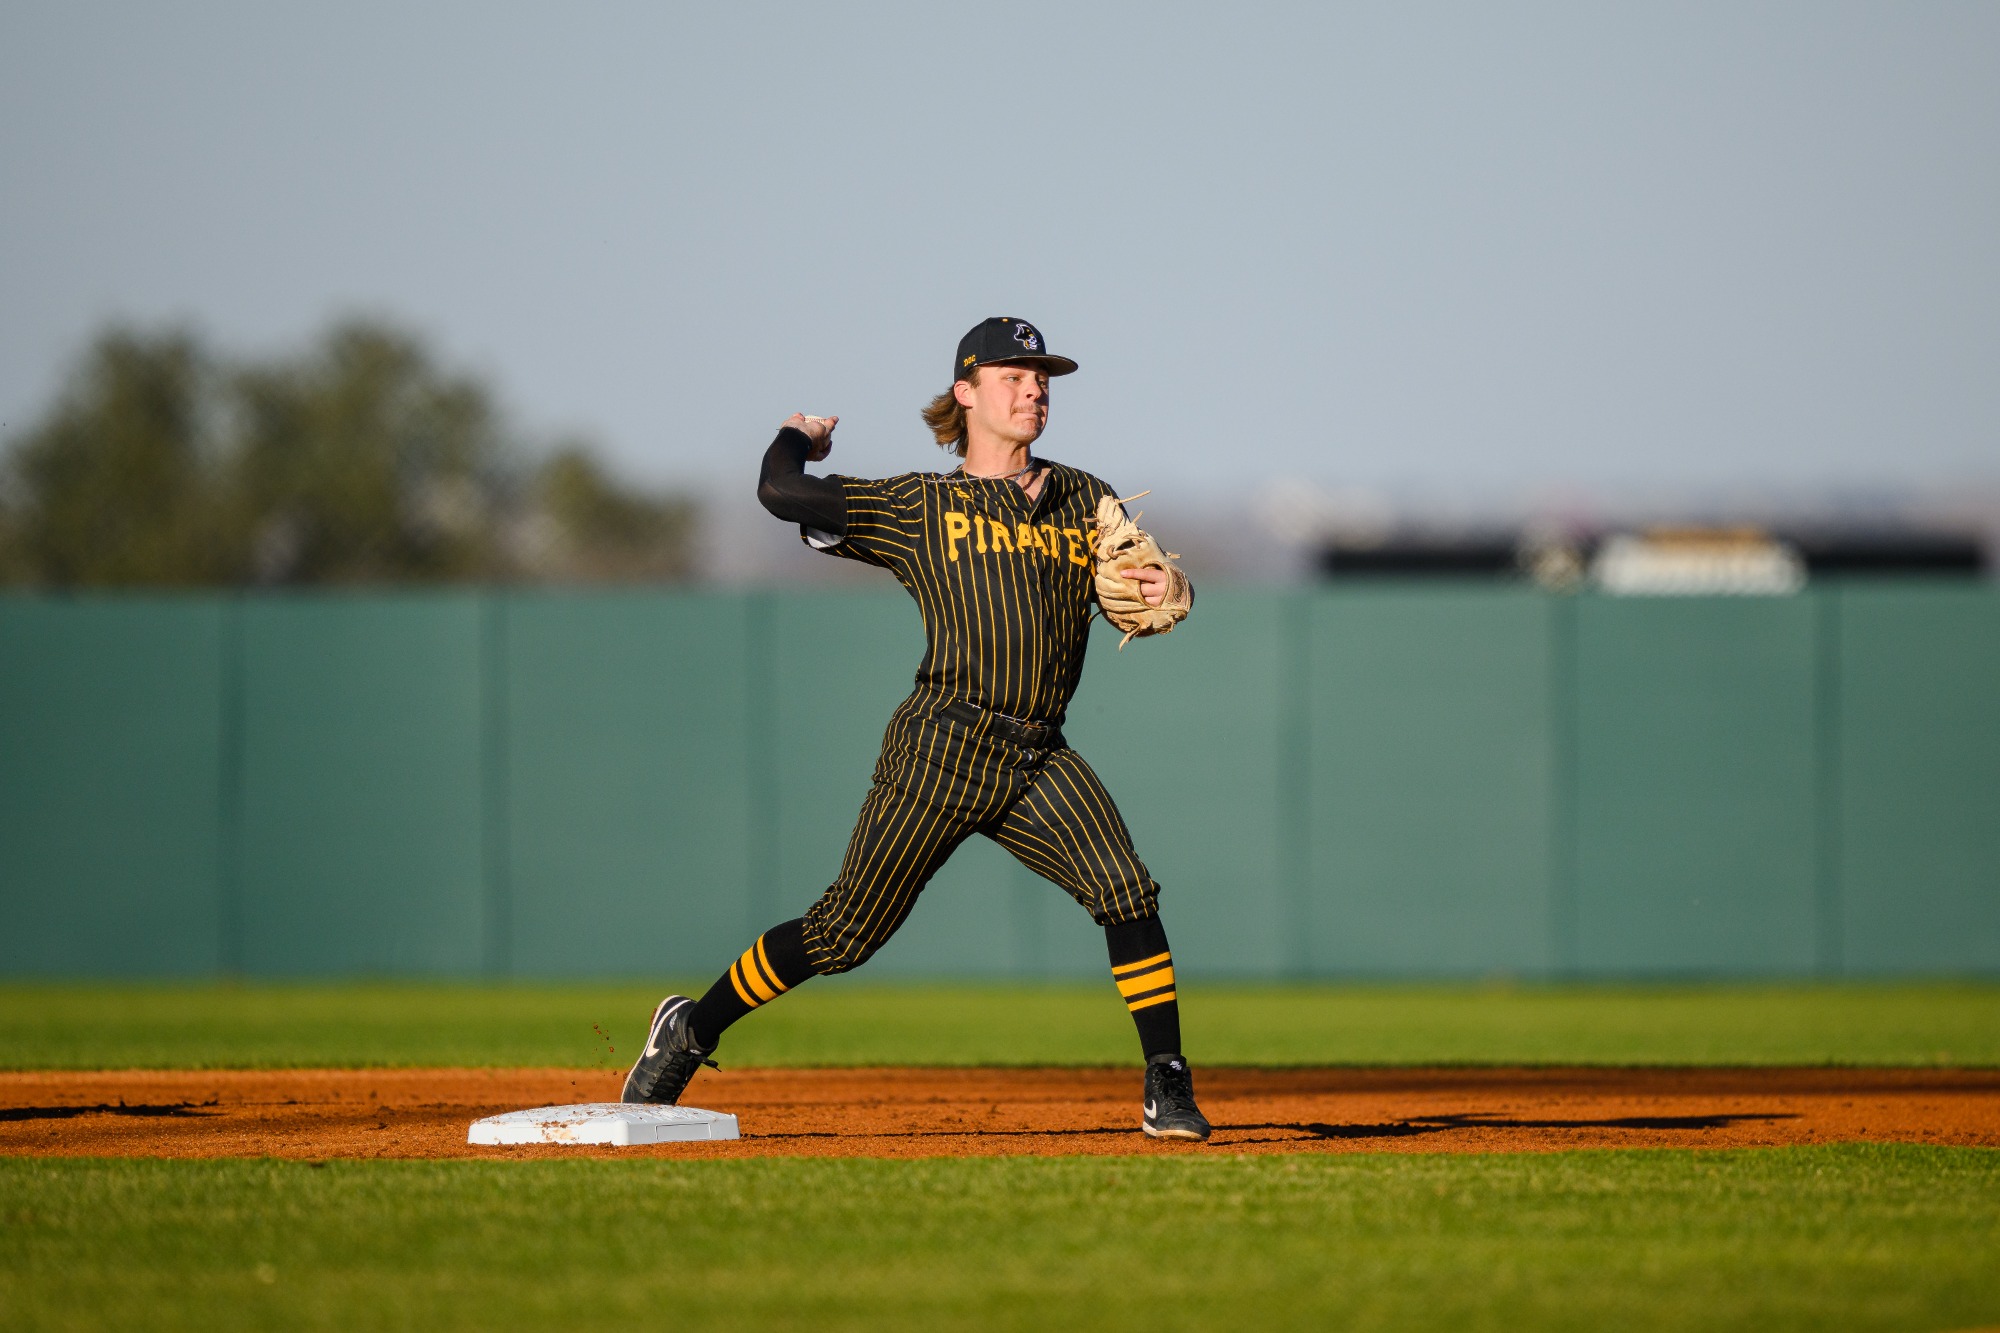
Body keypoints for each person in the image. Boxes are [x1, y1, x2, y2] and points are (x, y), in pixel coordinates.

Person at [622, 317, 1210, 1140]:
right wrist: (795, 436)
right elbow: (780, 494)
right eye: (1014, 375)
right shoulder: (919, 505)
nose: (1035, 388)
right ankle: (691, 1026)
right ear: (966, 392)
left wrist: (1165, 584)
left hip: (1037, 752)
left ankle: (1167, 1078)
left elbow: (1153, 574)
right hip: (941, 744)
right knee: (842, 931)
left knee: (1126, 890)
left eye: (1042, 376)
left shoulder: (1084, 496)